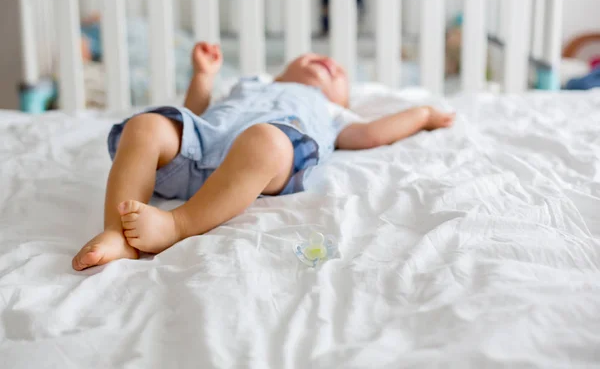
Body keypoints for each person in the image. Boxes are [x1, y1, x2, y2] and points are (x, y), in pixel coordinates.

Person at [72, 42, 455, 271]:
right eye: (315, 57)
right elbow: (197, 114)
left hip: (255, 168)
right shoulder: (251, 83)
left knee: (266, 140)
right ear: (282, 70)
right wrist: (203, 77)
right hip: (201, 146)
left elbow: (371, 134)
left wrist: (422, 115)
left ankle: (177, 224)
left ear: (343, 100)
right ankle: (116, 232)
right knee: (146, 125)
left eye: (338, 74)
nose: (329, 64)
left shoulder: (332, 113)